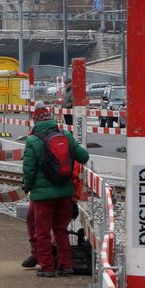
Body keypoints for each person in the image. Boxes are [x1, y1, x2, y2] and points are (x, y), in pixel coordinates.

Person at [22, 100, 88, 277]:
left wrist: (27, 188)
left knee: (42, 233)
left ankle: (47, 267)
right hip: (65, 192)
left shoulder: (32, 140)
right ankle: (66, 265)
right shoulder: (66, 135)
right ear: (51, 119)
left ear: (36, 121)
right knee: (61, 230)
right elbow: (84, 156)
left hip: (42, 196)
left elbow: (29, 171)